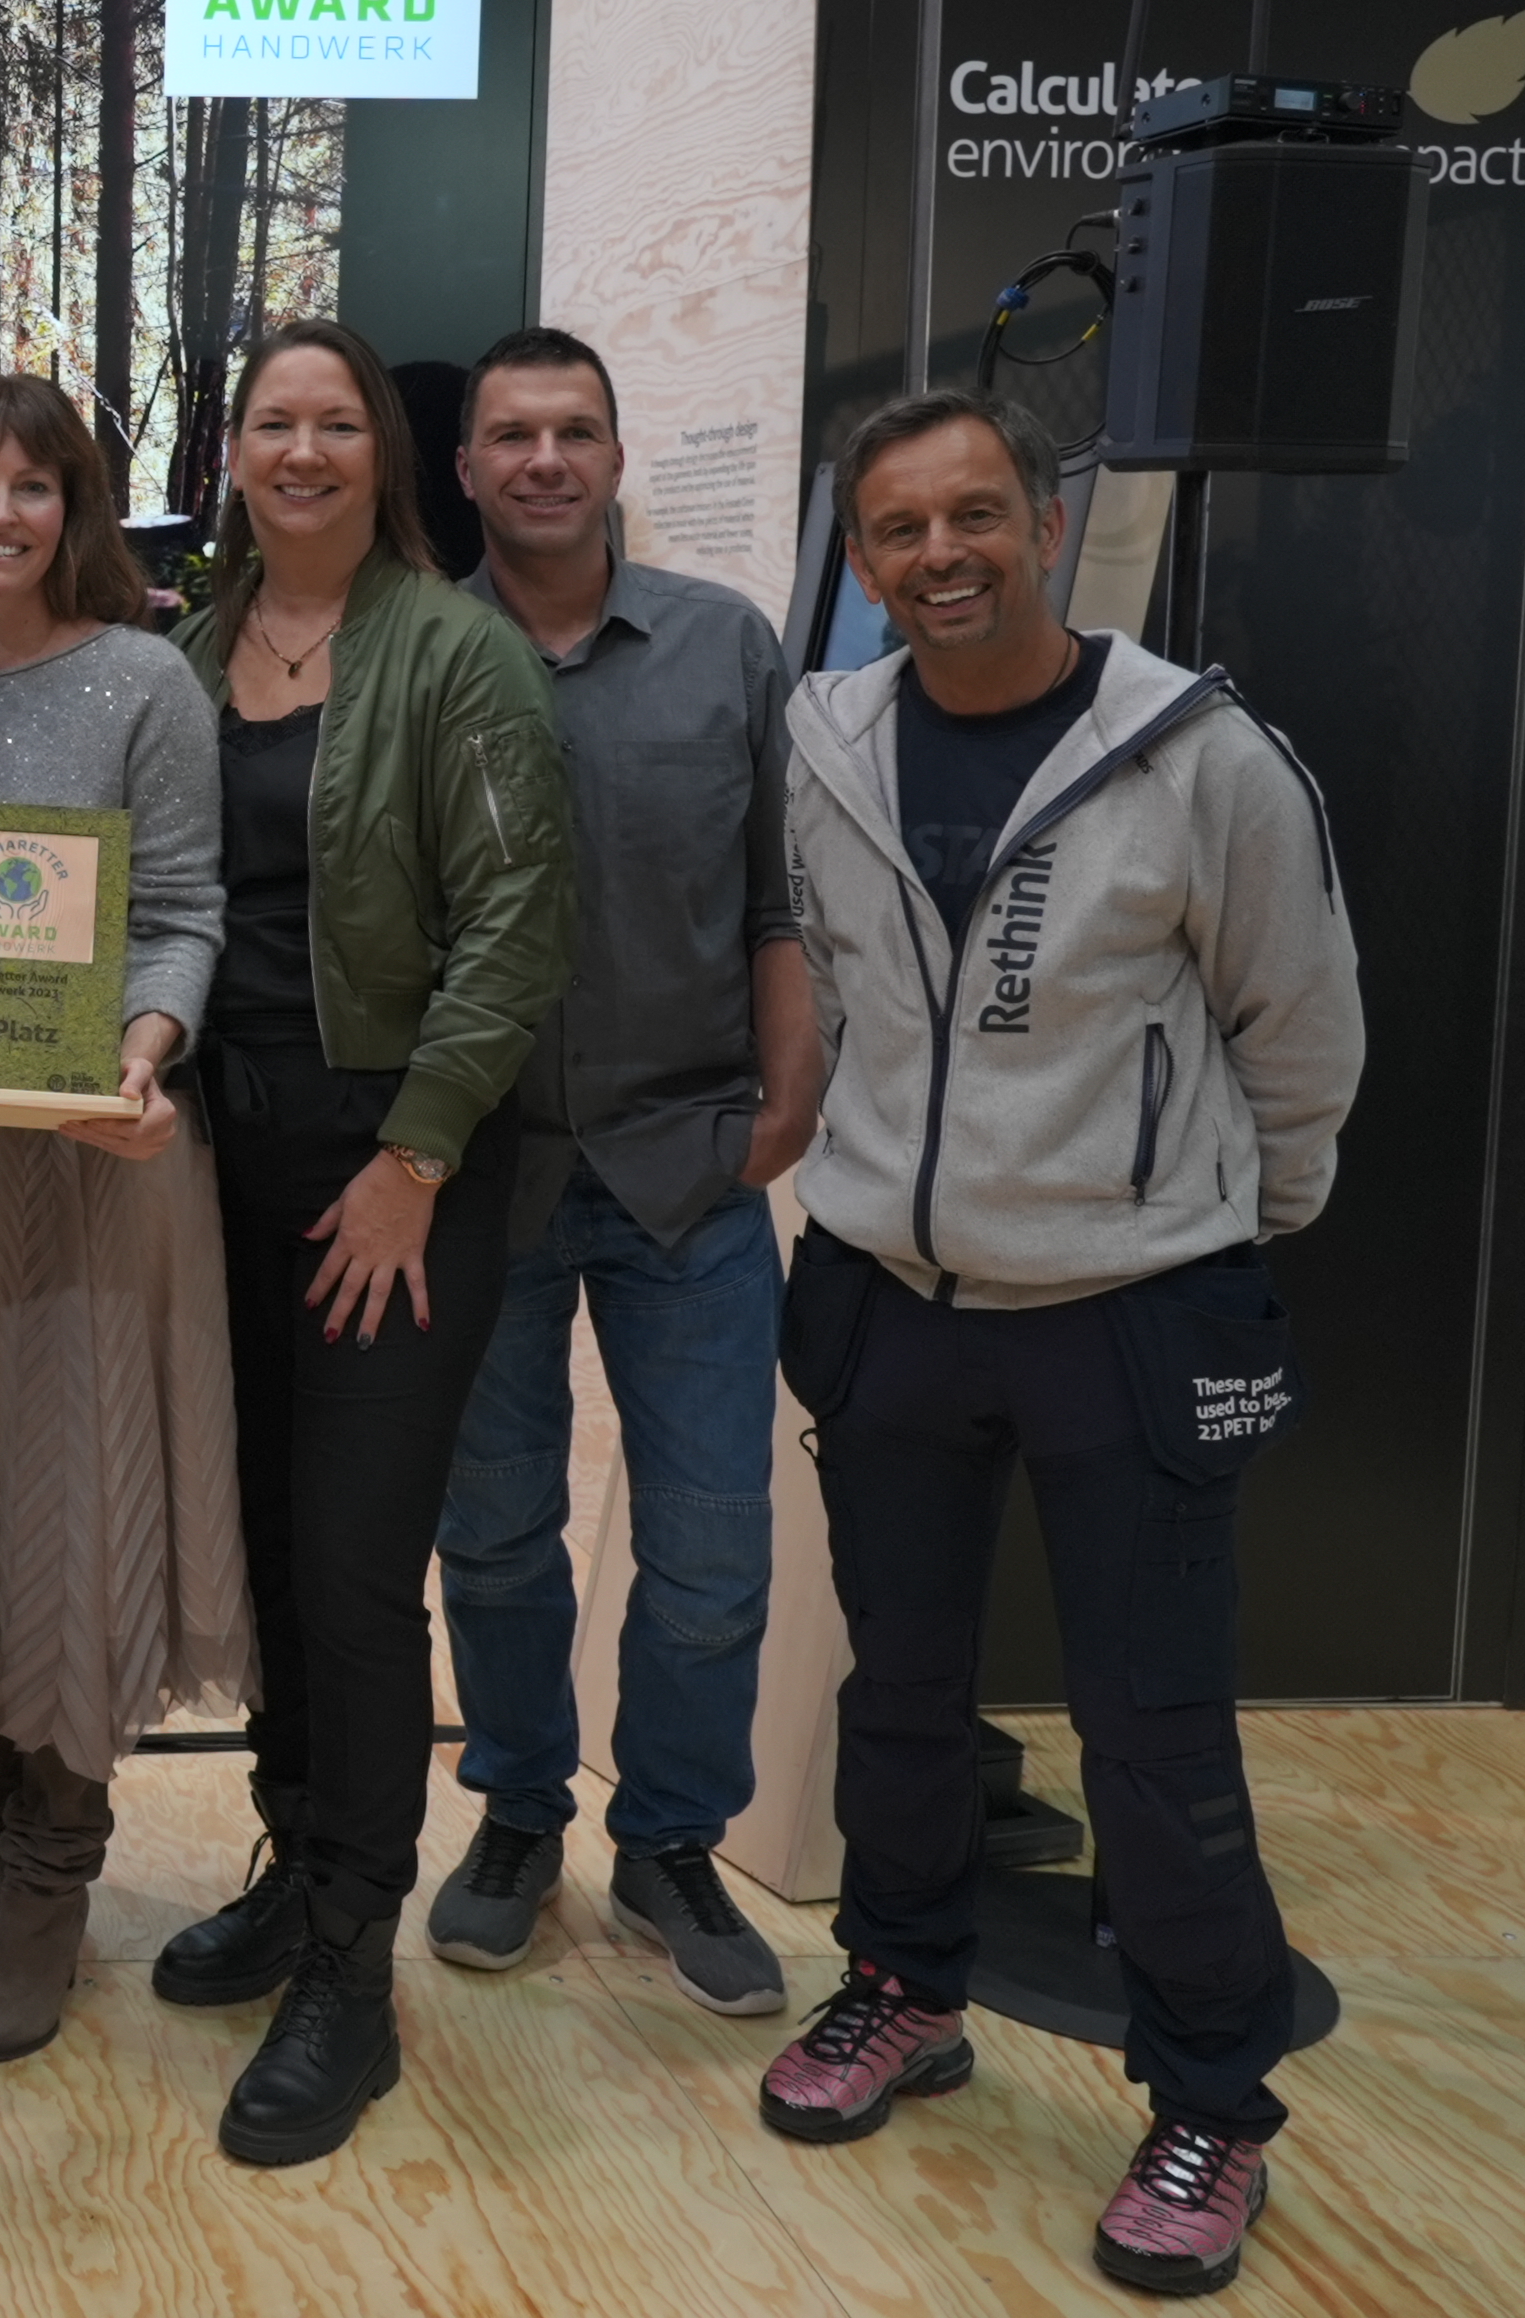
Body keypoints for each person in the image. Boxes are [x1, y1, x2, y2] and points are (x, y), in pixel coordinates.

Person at [763, 387, 1360, 2299]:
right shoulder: (825, 740)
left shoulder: (1197, 753)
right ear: (860, 559)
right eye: (898, 531)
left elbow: (1301, 1031)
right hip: (891, 1300)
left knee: (1152, 1725)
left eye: (973, 517)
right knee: (905, 1694)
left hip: (1129, 1310)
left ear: (1042, 519)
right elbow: (844, 988)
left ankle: (1213, 2099)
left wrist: (1195, 1230)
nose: (940, 557)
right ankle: (902, 1982)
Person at [157, 314, 573, 2169]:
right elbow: (147, 897)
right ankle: (290, 1862)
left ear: (382, 461)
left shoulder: (457, 651)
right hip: (209, 1164)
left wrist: (414, 1154)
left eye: (336, 423)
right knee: (262, 1544)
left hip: (396, 1169)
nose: (303, 449)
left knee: (350, 1565)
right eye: (273, 421)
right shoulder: (183, 653)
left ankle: (352, 1967)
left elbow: (517, 926)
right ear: (231, 450)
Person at [407, 326, 815, 2016]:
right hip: (478, 1170)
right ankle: (515, 1807)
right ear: (470, 465)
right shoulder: (415, 652)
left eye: (576, 430)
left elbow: (780, 895)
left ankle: (669, 1842)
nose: (546, 461)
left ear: (619, 453)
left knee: (715, 1540)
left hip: (689, 1162)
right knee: (495, 1533)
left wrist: (785, 1104)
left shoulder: (726, 649)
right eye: (514, 434)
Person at [0, 373, 246, 2064]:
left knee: (74, 1509)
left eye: (32, 482)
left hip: (95, 1156)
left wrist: (142, 1054)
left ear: (77, 506)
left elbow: (178, 911)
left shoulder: (144, 677)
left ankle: (50, 1874)